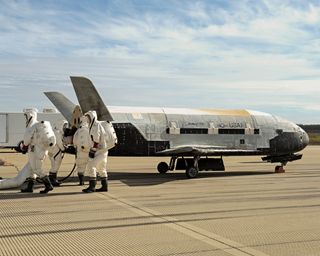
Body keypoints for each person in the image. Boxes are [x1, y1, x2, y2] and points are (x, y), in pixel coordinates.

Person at [20, 109, 56, 194]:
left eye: (26, 116)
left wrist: (24, 146)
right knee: (32, 168)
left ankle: (48, 185)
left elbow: (26, 140)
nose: (26, 118)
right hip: (41, 150)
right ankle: (30, 187)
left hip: (35, 151)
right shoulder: (39, 125)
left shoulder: (32, 126)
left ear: (30, 116)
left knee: (37, 169)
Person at [82, 110, 117, 193]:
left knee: (91, 166)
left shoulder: (95, 126)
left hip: (99, 151)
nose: (87, 119)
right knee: (102, 168)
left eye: (88, 117)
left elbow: (96, 140)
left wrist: (92, 151)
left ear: (92, 117)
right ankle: (104, 186)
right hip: (104, 150)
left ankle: (92, 187)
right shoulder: (96, 125)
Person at [48, 120, 68, 187]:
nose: (65, 127)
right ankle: (52, 180)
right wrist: (63, 148)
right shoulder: (57, 133)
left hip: (53, 152)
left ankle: (53, 179)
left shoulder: (55, 132)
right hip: (56, 152)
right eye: (64, 125)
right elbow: (59, 143)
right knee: (55, 166)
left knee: (54, 166)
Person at [73, 116, 91, 185]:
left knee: (80, 167)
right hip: (88, 152)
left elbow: (74, 140)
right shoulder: (90, 129)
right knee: (91, 166)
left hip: (80, 151)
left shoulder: (78, 130)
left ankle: (81, 181)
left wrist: (76, 146)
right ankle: (91, 182)